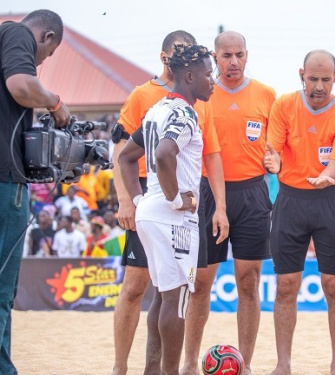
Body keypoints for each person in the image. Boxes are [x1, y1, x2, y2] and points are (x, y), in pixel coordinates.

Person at [110, 31, 226, 375]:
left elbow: (127, 158)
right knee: (175, 301)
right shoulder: (185, 114)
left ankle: (152, 370)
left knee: (162, 296)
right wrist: (175, 199)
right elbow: (163, 154)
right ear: (189, 76)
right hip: (171, 217)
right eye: (208, 73)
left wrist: (140, 199)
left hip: (150, 211)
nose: (213, 80)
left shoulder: (159, 108)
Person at [183, 30, 274, 375]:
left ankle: (246, 364)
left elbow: (277, 145)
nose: (233, 62)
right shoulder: (203, 96)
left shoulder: (267, 95)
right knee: (201, 282)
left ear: (247, 56)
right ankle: (190, 362)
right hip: (208, 194)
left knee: (248, 282)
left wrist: (275, 160)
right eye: (226, 56)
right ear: (215, 58)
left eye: (239, 55)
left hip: (253, 194)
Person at [264, 49, 335, 375]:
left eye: (325, 79)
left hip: (329, 199)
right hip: (290, 200)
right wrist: (274, 162)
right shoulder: (284, 105)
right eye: (312, 78)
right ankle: (283, 364)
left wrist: (327, 175)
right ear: (301, 74)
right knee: (286, 285)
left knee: (334, 285)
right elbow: (273, 150)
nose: (319, 86)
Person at [0, 10, 70, 374]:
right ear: (48, 39)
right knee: (1, 292)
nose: (42, 62)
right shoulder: (16, 35)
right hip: (3, 184)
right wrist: (55, 104)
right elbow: (21, 86)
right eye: (49, 54)